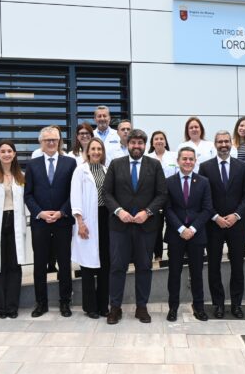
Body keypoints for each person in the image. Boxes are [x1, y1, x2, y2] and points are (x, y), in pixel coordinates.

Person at [103, 128, 167, 325]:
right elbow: (107, 193)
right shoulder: (115, 164)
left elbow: (162, 194)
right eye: (133, 143)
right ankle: (115, 308)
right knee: (117, 267)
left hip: (145, 227)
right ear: (127, 144)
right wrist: (119, 211)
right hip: (119, 226)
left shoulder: (154, 165)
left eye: (140, 143)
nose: (137, 146)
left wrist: (147, 212)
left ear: (144, 146)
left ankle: (142, 307)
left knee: (144, 267)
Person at [200, 130, 245, 319]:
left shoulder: (242, 167)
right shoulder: (205, 167)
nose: (223, 145)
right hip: (214, 225)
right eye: (219, 141)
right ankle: (219, 304)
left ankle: (236, 304)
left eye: (226, 141)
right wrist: (215, 217)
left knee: (237, 266)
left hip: (236, 225)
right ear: (215, 144)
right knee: (213, 266)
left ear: (231, 143)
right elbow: (203, 197)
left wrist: (237, 215)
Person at [24, 126, 77, 318]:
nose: (52, 143)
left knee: (64, 264)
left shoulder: (70, 163)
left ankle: (65, 303)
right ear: (41, 143)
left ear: (60, 141)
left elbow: (74, 193)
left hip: (63, 223)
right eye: (48, 140)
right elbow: (28, 194)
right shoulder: (32, 164)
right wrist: (40, 213)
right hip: (41, 223)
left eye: (55, 139)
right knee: (40, 265)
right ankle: (41, 303)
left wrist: (63, 212)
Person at [164, 147, 213, 322]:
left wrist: (192, 229)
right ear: (178, 161)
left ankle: (199, 308)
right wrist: (180, 229)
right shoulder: (169, 182)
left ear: (195, 161)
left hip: (197, 235)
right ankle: (173, 308)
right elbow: (167, 209)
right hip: (175, 235)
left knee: (197, 273)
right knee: (174, 274)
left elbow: (207, 209)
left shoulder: (203, 182)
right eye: (184, 159)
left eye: (191, 159)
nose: (187, 162)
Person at [0, 140, 27, 319]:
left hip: (14, 223)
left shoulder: (20, 176)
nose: (7, 154)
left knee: (14, 266)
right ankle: (1, 307)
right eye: (3, 151)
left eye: (10, 151)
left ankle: (12, 307)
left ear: (14, 154)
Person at [71, 138, 110, 318]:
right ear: (87, 152)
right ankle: (91, 307)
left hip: (105, 219)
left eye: (99, 149)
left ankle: (103, 305)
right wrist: (80, 222)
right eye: (93, 149)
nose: (96, 152)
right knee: (87, 267)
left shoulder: (106, 170)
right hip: (87, 220)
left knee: (105, 264)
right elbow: (75, 196)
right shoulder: (80, 171)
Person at [148, 130, 177, 260]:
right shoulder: (147, 158)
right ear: (152, 143)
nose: (159, 141)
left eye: (161, 138)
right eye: (156, 139)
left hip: (172, 196)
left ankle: (173, 253)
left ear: (165, 141)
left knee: (173, 224)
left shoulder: (174, 156)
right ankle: (158, 255)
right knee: (156, 227)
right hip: (155, 198)